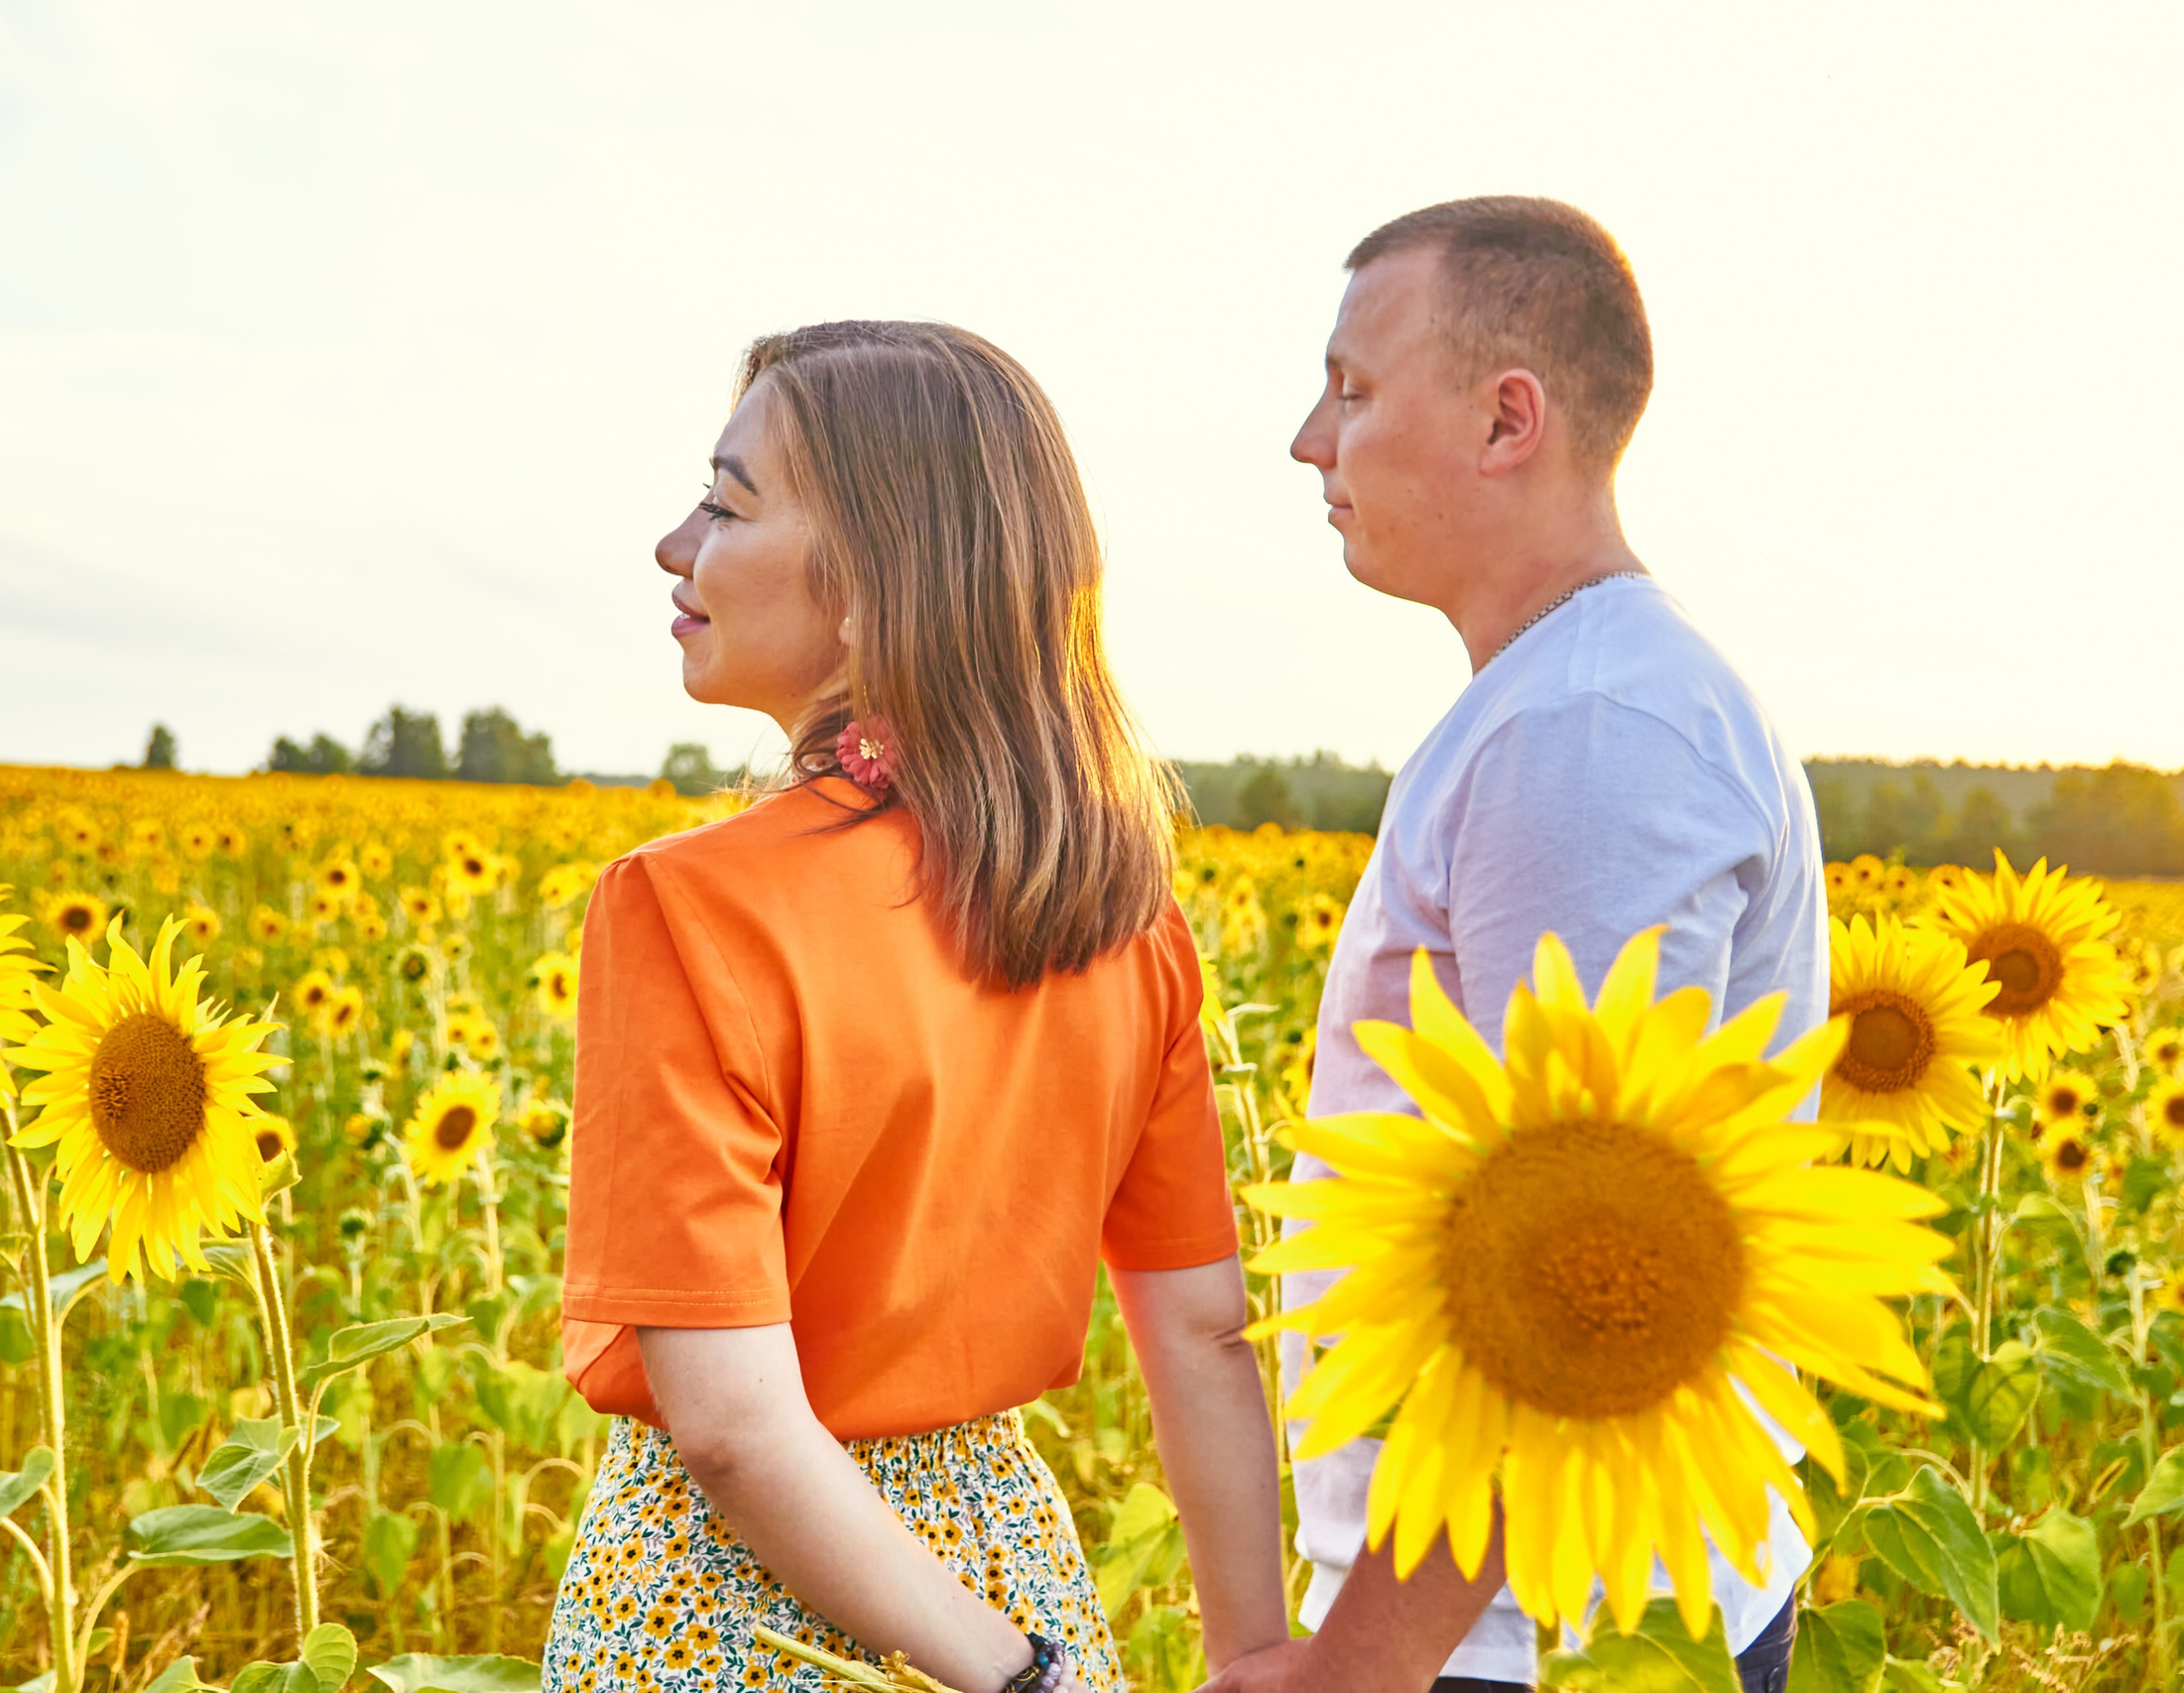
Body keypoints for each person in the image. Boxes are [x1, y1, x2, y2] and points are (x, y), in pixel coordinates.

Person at [543, 319, 1290, 1693]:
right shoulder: (1127, 920)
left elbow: (734, 1428)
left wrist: (1013, 1682)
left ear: (877, 585)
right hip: (1004, 1557)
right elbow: (1197, 1325)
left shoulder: (688, 908)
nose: (673, 544)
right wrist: (1252, 1652)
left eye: (724, 501)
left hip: (728, 1604)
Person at [1201, 198, 1821, 1693]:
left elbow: (1580, 1281)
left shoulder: (1586, 733)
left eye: (1351, 388)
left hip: (1539, 1634)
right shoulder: (1581, 697)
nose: (1309, 438)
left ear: (1506, 419)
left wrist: (1357, 1669)